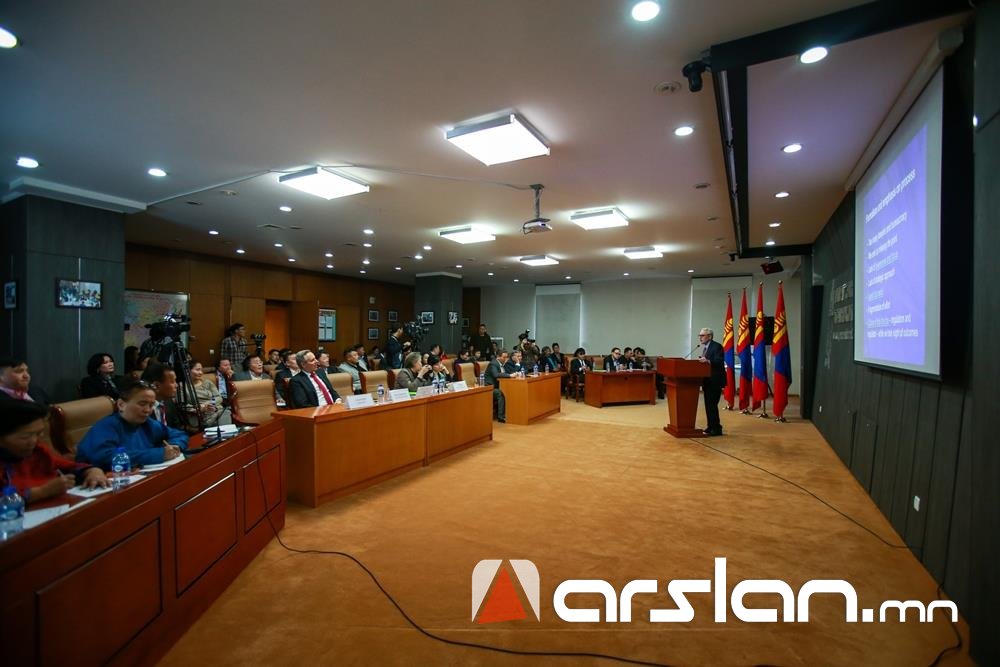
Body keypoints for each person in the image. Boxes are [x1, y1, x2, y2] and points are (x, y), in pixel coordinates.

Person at [0, 400, 108, 505]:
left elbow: (70, 466)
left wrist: (92, 471)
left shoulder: (38, 450)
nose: (34, 441)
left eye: (38, 434)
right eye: (25, 437)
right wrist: (41, 492)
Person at [77, 379, 188, 469]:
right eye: (142, 404)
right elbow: (104, 457)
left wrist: (175, 446)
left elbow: (179, 434)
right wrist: (159, 454)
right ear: (121, 405)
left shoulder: (148, 423)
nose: (147, 410)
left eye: (151, 405)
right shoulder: (106, 426)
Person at [141, 363, 192, 432]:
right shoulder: (140, 409)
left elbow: (176, 430)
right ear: (156, 385)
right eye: (172, 382)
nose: (176, 385)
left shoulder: (169, 402)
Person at [698, 327, 726, 437]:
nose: (700, 337)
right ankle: (710, 427)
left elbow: (719, 361)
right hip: (708, 381)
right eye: (699, 335)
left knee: (712, 405)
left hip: (715, 381)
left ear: (709, 336)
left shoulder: (717, 346)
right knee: (709, 406)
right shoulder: (706, 347)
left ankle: (716, 429)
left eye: (702, 335)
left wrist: (707, 360)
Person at [187, 360, 231, 427]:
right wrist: (199, 408)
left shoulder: (207, 382)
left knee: (226, 412)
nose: (201, 372)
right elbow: (183, 406)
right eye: (198, 370)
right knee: (222, 421)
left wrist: (208, 404)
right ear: (188, 371)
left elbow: (219, 397)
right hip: (199, 416)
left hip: (215, 411)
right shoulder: (183, 387)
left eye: (201, 370)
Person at [484, 349, 510, 422]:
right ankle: (501, 417)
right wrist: (509, 375)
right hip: (489, 387)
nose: (505, 359)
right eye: (504, 357)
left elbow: (505, 373)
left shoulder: (502, 364)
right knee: (500, 393)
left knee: (509, 391)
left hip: (499, 385)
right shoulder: (493, 364)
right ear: (498, 357)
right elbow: (496, 375)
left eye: (506, 357)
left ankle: (510, 413)